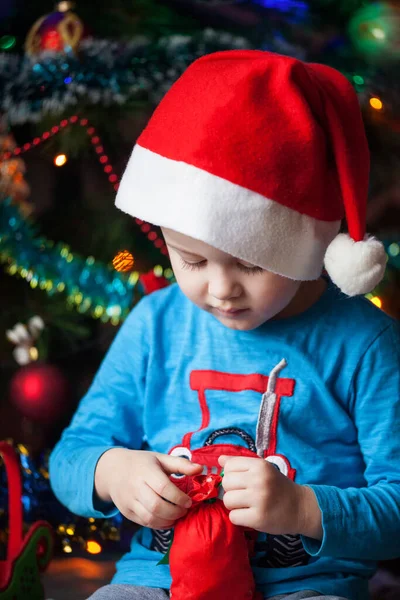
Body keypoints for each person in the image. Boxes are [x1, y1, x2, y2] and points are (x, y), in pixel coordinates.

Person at [49, 49, 400, 600]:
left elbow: (397, 505)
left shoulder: (364, 343)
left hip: (306, 587)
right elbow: (69, 459)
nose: (219, 289)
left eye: (251, 263)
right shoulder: (155, 324)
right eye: (190, 260)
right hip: (156, 582)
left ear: (305, 243)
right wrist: (113, 472)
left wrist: (304, 508)